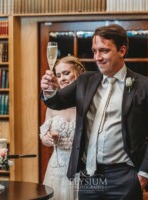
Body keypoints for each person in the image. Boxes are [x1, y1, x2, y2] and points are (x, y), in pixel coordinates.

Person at [41, 24, 148, 200]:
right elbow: (57, 101)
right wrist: (48, 90)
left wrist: (144, 173)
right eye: (94, 51)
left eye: (104, 51)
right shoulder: (86, 80)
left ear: (122, 51)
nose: (97, 57)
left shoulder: (144, 86)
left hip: (124, 175)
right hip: (89, 175)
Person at [39, 55, 85, 200]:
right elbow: (44, 137)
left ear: (78, 74)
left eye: (66, 73)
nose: (62, 78)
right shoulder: (52, 105)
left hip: (82, 168)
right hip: (57, 169)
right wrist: (46, 139)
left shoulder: (87, 103)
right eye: (58, 75)